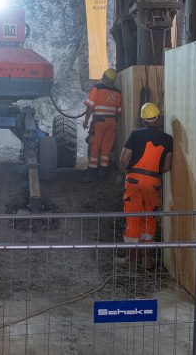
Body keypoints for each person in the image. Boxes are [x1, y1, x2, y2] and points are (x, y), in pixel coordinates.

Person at [119, 102, 172, 266]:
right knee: (149, 217)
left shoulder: (135, 134)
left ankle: (131, 260)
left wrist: (129, 172)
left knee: (133, 217)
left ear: (142, 120)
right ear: (158, 118)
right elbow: (167, 166)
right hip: (154, 181)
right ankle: (147, 259)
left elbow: (124, 158)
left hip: (134, 179)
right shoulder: (168, 139)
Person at [83, 68, 122, 176]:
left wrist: (86, 121)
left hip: (99, 122)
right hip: (112, 122)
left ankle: (92, 173)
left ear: (104, 77)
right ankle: (103, 173)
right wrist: (113, 123)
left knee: (95, 147)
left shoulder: (97, 88)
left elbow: (90, 106)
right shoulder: (118, 92)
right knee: (106, 148)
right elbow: (118, 112)